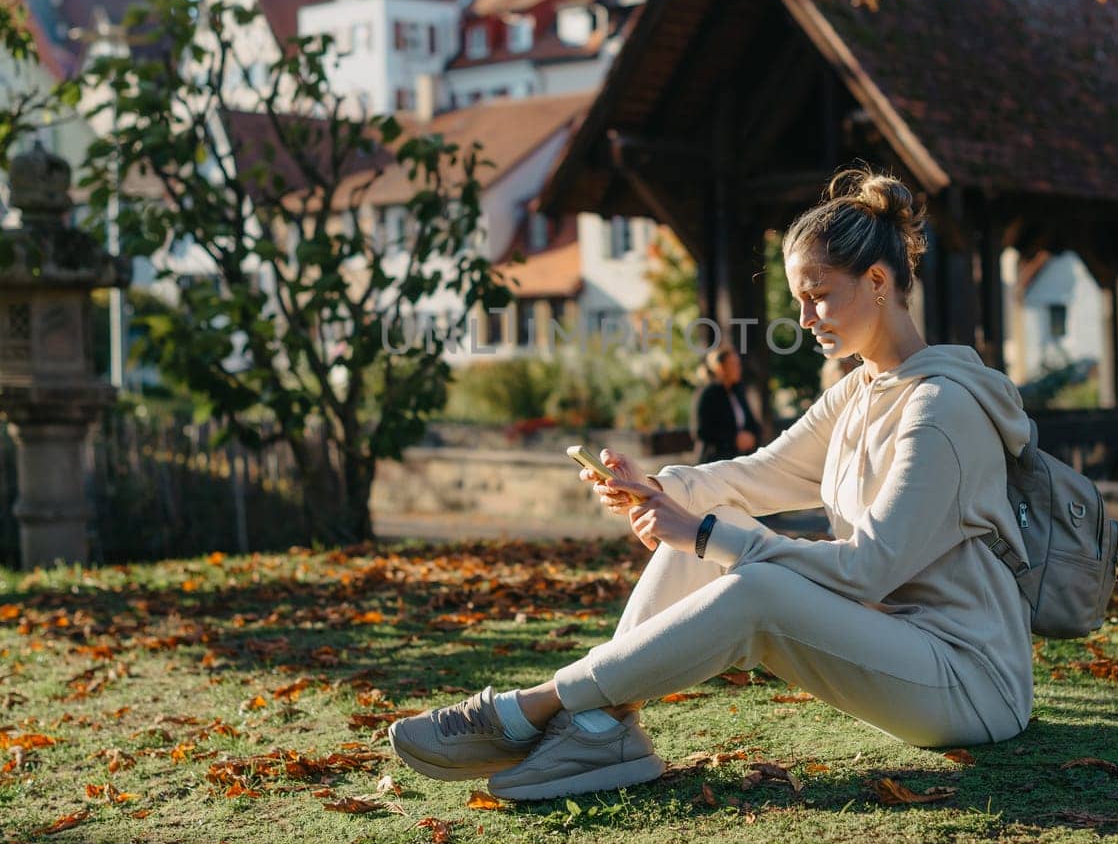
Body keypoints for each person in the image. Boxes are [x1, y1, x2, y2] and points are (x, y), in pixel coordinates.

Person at [387, 162, 1035, 802]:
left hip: (971, 683)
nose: (805, 318)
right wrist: (660, 492)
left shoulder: (940, 408)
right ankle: (602, 725)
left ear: (875, 281)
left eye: (817, 295)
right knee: (705, 538)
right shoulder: (862, 392)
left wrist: (701, 531)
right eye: (797, 300)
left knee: (751, 582)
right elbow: (760, 475)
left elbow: (870, 568)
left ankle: (539, 706)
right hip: (900, 651)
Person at [691, 345, 763, 463]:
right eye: (733, 364)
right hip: (714, 462)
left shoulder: (738, 392)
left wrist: (752, 437)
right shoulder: (708, 394)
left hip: (738, 460)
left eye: (738, 364)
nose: (738, 368)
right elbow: (701, 431)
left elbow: (753, 424)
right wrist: (733, 439)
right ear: (720, 368)